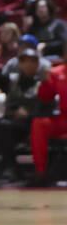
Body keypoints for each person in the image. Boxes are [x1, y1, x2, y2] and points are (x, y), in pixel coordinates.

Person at [0, 45, 52, 185]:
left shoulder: (43, 83)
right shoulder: (11, 80)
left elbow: (49, 108)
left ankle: (11, 168)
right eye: (25, 61)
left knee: (4, 126)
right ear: (19, 63)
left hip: (30, 125)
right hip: (11, 123)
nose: (29, 64)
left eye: (33, 61)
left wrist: (29, 114)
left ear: (38, 64)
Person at [29, 43, 67, 187]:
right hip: (62, 119)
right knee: (39, 124)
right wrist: (45, 83)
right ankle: (41, 172)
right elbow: (45, 98)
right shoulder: (56, 72)